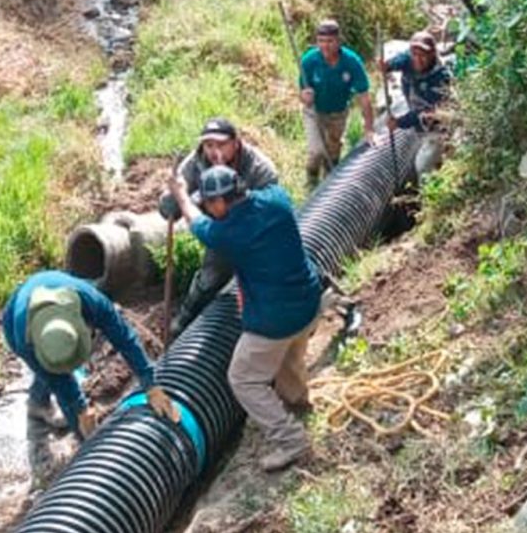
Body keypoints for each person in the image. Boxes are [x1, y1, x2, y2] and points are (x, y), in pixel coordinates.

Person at [169, 163, 323, 472]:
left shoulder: (228, 233)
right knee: (290, 354)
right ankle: (296, 400)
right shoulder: (277, 199)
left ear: (221, 201)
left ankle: (292, 440)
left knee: (243, 378)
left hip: (274, 320)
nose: (210, 210)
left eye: (210, 204)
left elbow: (197, 223)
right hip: (309, 301)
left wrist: (181, 195)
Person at [0, 270, 175, 482]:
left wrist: (150, 384)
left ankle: (45, 405)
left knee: (56, 366)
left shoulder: (91, 301)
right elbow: (62, 385)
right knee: (51, 375)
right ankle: (38, 407)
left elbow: (125, 339)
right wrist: (81, 417)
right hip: (16, 314)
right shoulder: (24, 339)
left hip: (57, 288)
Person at [158, 116, 279, 337]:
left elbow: (267, 211)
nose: (215, 152)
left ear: (236, 142)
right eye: (209, 145)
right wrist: (173, 194)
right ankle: (185, 321)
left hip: (254, 232)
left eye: (222, 144)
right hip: (218, 229)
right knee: (211, 278)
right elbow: (168, 211)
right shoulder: (196, 162)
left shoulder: (259, 169)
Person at [298, 18, 375, 185]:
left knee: (333, 151)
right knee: (316, 151)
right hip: (315, 112)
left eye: (330, 41)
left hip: (338, 112)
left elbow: (364, 97)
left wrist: (369, 128)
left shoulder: (351, 61)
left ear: (339, 41)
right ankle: (311, 182)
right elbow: (302, 93)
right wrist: (305, 97)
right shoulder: (309, 61)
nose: (325, 46)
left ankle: (329, 183)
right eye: (321, 41)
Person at [380, 30, 454, 175]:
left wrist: (399, 122)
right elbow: (401, 60)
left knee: (423, 166)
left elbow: (424, 111)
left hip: (437, 125)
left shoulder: (440, 78)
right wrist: (388, 66)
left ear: (432, 54)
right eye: (415, 54)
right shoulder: (409, 59)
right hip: (420, 124)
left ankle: (431, 192)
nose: (418, 59)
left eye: (423, 56)